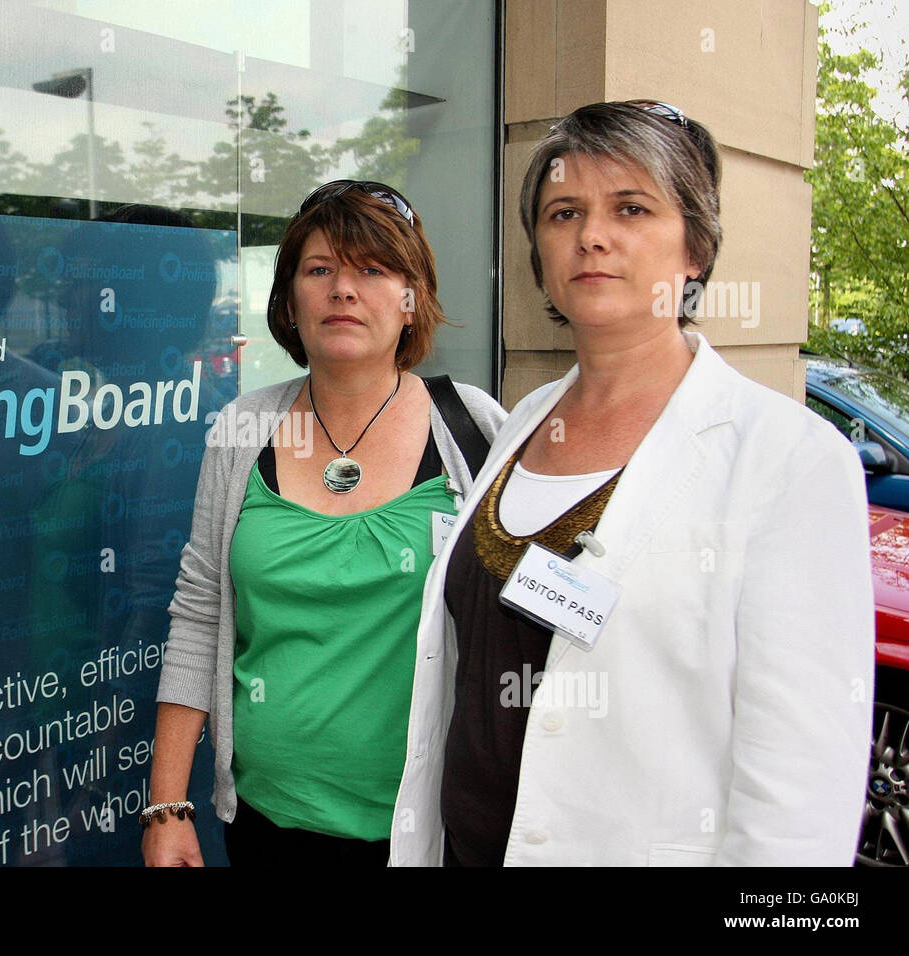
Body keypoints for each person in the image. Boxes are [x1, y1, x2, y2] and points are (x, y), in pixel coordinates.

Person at [391, 101, 875, 866]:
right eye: (563, 212)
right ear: (540, 254)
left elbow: (800, 806)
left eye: (632, 208)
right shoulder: (525, 422)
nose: (591, 234)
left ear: (695, 248)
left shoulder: (789, 460)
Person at [144, 181, 506, 866]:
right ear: (289, 300)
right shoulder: (243, 428)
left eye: (373, 269)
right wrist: (167, 807)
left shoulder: (475, 430)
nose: (344, 289)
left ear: (412, 299)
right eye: (320, 270)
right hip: (266, 825)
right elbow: (198, 614)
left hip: (429, 833)